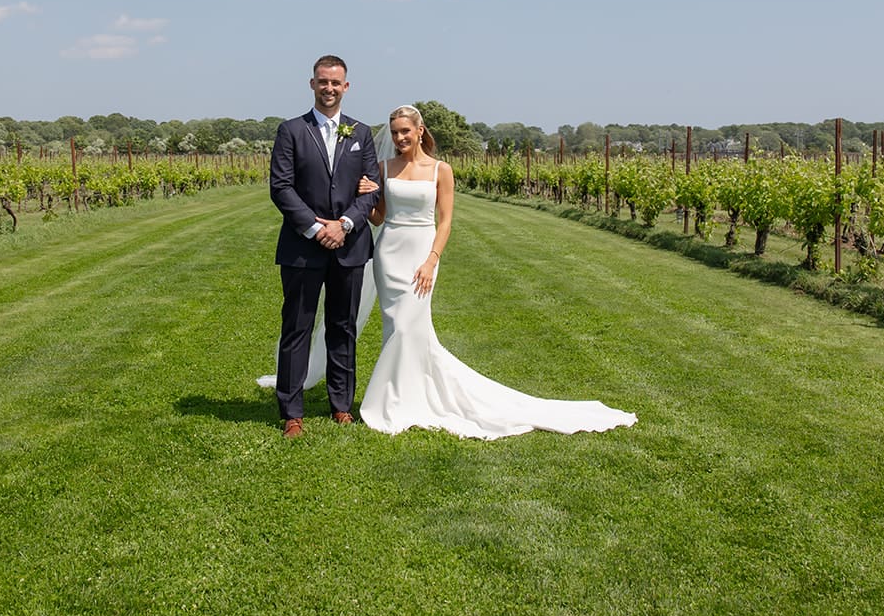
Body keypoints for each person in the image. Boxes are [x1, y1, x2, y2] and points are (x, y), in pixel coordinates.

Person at [357, 105, 637, 439]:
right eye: (395, 132)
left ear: (420, 131)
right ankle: (404, 397)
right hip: (389, 255)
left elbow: (444, 221)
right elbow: (380, 218)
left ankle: (394, 400)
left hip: (422, 253)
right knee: (398, 329)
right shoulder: (383, 168)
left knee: (409, 326)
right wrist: (369, 198)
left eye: (406, 131)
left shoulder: (440, 170)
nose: (400, 138)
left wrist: (432, 260)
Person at [268, 55, 382, 439]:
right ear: (312, 85)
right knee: (297, 327)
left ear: (346, 86)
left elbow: (371, 188)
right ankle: (291, 411)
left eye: (336, 82)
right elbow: (281, 188)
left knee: (342, 327)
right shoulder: (291, 131)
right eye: (322, 82)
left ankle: (341, 405)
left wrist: (346, 223)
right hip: (303, 248)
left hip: (350, 246)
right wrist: (317, 229)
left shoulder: (361, 134)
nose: (329, 88)